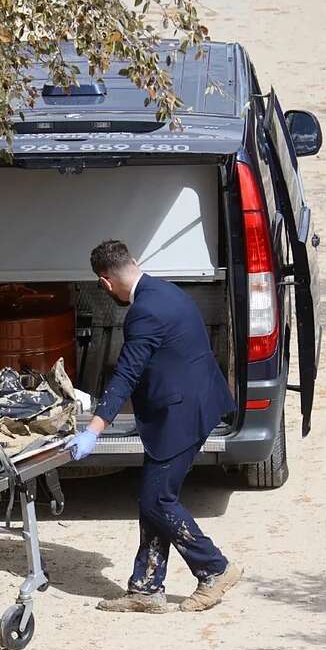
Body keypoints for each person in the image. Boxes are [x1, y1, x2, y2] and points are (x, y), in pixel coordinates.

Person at [67, 240, 244, 614]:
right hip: (196, 403)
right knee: (154, 496)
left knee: (156, 500)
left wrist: (94, 430)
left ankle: (215, 568)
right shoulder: (166, 291)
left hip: (181, 415)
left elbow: (126, 373)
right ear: (133, 262)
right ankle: (146, 587)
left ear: (105, 282)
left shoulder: (143, 312)